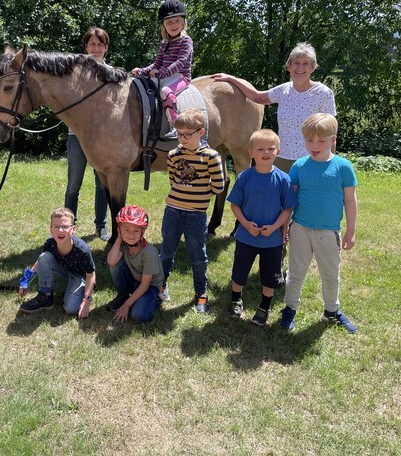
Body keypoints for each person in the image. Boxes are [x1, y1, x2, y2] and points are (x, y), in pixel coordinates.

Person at [279, 113, 358, 333]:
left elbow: (350, 200)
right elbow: (289, 202)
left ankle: (332, 310)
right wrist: (285, 228)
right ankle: (289, 309)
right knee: (295, 272)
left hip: (329, 231)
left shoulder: (343, 167)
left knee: (330, 274)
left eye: (321, 141)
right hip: (300, 229)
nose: (314, 145)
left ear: (333, 139)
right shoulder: (299, 166)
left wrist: (351, 231)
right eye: (309, 140)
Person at [211, 42, 336, 173]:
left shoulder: (323, 93)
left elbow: (331, 131)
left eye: (305, 63)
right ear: (289, 66)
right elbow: (257, 97)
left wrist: (330, 162)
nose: (300, 67)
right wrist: (231, 79)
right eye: (296, 63)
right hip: (283, 158)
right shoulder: (283, 90)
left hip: (313, 158)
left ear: (313, 67)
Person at [226, 129, 297, 325]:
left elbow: (287, 209)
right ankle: (235, 300)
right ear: (251, 153)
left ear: (278, 151)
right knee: (239, 272)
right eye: (260, 149)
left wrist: (276, 227)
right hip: (246, 237)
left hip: (272, 240)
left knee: (269, 277)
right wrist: (246, 224)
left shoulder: (284, 179)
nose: (266, 152)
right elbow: (235, 205)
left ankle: (264, 307)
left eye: (271, 148)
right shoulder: (245, 177)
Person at [159, 108, 225, 312]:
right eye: (179, 133)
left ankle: (201, 293)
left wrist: (200, 195)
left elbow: (219, 186)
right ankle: (161, 285)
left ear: (201, 132)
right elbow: (173, 180)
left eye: (188, 134)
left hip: (196, 214)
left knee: (198, 255)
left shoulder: (211, 157)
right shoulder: (173, 154)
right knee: (166, 252)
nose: (182, 138)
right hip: (172, 211)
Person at [64, 27, 110, 241]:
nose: (96, 48)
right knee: (74, 184)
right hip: (77, 136)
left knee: (102, 184)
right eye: (92, 44)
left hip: (102, 139)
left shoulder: (111, 74)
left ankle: (101, 226)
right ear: (85, 47)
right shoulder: (75, 73)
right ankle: (68, 226)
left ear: (106, 48)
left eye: (100, 44)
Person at [131, 0, 193, 140]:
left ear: (183, 22)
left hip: (180, 77)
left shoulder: (186, 41)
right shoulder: (164, 43)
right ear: (163, 25)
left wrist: (162, 73)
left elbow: (180, 62)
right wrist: (141, 71)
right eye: (169, 22)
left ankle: (175, 126)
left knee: (166, 91)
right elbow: (157, 64)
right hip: (165, 76)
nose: (173, 25)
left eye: (177, 20)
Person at [18, 207, 96, 318]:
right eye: (56, 226)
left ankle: (78, 287)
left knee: (71, 309)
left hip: (80, 275)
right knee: (44, 257)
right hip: (63, 268)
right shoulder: (50, 243)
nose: (60, 230)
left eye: (65, 226)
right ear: (50, 229)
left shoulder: (82, 250)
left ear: (73, 229)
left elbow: (91, 274)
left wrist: (86, 301)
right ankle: (46, 295)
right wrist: (26, 280)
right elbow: (41, 261)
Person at [106, 205, 164, 323]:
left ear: (142, 231)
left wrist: (126, 306)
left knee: (138, 315)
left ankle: (156, 299)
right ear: (119, 230)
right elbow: (111, 262)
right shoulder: (123, 243)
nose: (131, 234)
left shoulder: (149, 252)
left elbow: (145, 285)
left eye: (136, 230)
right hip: (135, 279)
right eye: (126, 230)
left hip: (149, 286)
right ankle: (124, 295)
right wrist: (118, 239)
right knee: (116, 263)